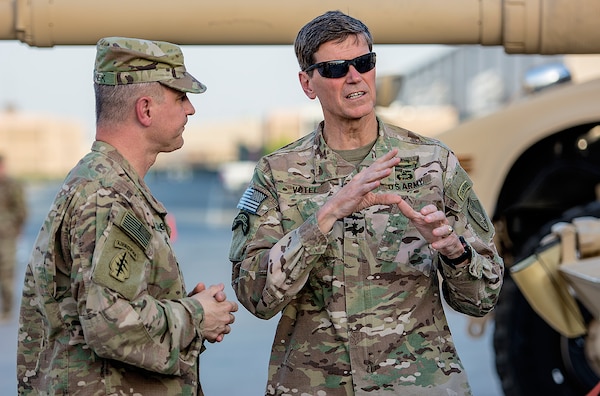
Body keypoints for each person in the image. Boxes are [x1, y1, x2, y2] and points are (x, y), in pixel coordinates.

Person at [229, 10, 504, 395]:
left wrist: (454, 253)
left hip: (420, 384)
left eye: (363, 62)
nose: (354, 76)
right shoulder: (278, 172)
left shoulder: (432, 163)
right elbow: (255, 296)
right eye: (336, 68)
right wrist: (324, 218)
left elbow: (484, 297)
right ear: (308, 83)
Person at [17, 37, 239, 395]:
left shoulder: (103, 182)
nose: (191, 110)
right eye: (181, 97)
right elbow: (110, 324)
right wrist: (196, 316)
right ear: (146, 110)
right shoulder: (108, 195)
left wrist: (181, 307)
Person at [0, 154, 27, 323]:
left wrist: (16, 230)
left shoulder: (12, 185)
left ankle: (7, 308)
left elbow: (21, 211)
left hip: (6, 236)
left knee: (6, 272)